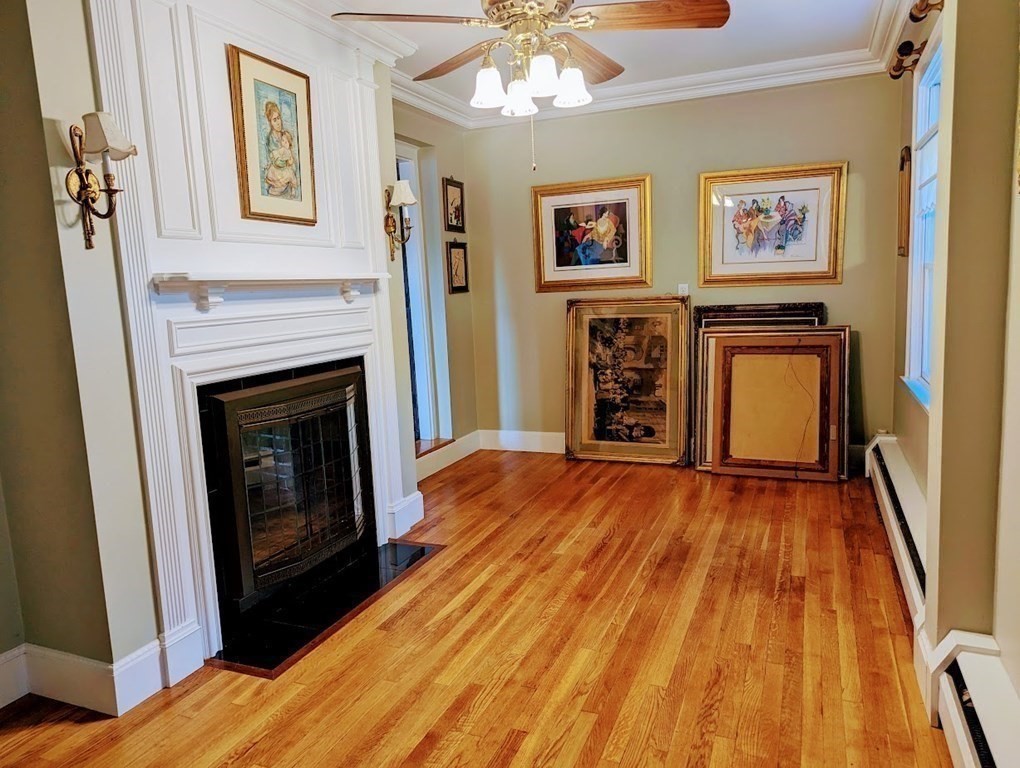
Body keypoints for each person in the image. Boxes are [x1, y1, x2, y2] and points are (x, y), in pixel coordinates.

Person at [263, 101, 299, 199]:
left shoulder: (284, 134)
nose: (278, 122)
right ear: (270, 122)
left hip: (285, 168)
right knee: (277, 187)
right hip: (277, 169)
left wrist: (290, 161)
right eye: (274, 120)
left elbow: (290, 152)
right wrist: (287, 163)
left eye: (279, 118)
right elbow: (274, 160)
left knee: (291, 172)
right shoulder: (270, 138)